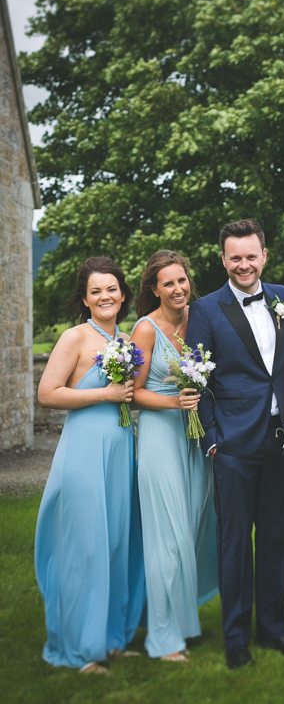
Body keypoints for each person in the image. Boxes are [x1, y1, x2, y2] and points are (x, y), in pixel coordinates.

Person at [185, 219, 284, 669]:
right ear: (223, 259)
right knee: (235, 545)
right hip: (232, 447)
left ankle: (275, 631)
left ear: (264, 255)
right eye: (234, 257)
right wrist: (213, 441)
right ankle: (236, 641)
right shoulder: (206, 309)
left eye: (251, 256)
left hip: (281, 440)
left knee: (276, 541)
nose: (243, 264)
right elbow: (196, 378)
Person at [34, 257, 145, 673]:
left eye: (112, 289)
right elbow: (48, 393)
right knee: (86, 546)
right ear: (85, 298)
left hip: (120, 449)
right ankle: (80, 650)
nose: (105, 297)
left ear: (123, 294)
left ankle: (111, 638)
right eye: (96, 291)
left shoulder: (129, 337)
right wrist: (106, 394)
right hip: (83, 450)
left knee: (118, 541)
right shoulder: (74, 338)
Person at [131, 250, 218, 662]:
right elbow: (133, 393)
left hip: (194, 436)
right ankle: (164, 640)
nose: (178, 288)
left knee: (193, 526)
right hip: (160, 433)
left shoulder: (199, 319)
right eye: (168, 283)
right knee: (168, 534)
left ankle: (180, 621)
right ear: (155, 289)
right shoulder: (146, 329)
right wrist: (174, 404)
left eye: (182, 280)